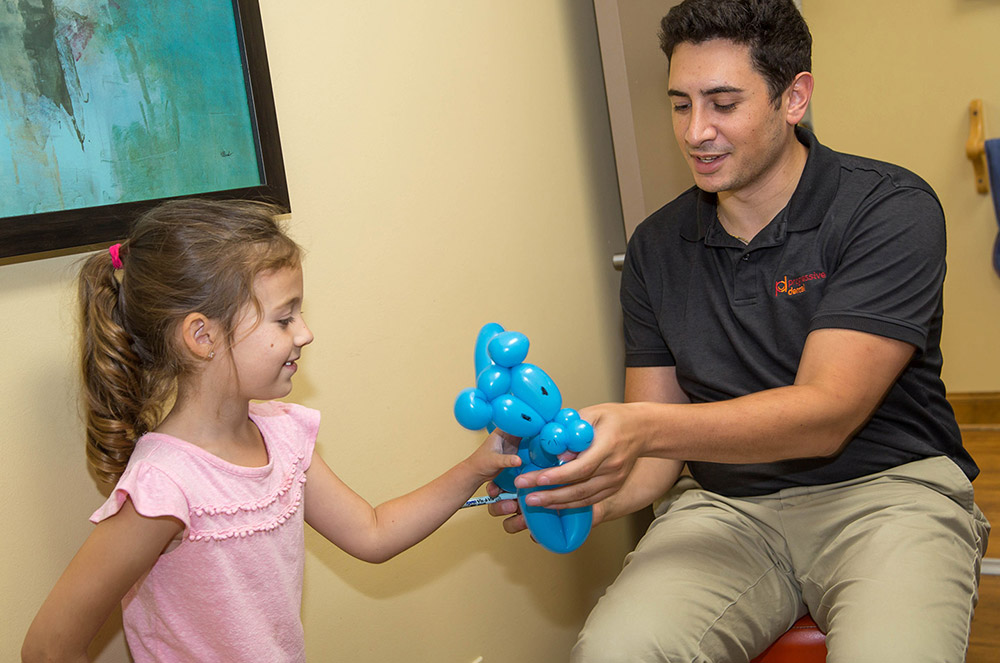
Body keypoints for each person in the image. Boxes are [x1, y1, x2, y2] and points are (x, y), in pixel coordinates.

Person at [489, 1, 990, 660]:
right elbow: (659, 455)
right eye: (680, 104)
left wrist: (642, 426)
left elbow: (827, 412)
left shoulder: (888, 209)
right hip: (727, 505)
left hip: (889, 495)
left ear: (795, 97)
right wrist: (587, 492)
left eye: (723, 103)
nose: (696, 130)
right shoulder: (656, 248)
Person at [21, 199, 520, 663]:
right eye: (284, 318)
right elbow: (47, 648)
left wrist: (478, 466)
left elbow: (372, 532)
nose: (305, 333)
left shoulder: (281, 436)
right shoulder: (163, 486)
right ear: (203, 336)